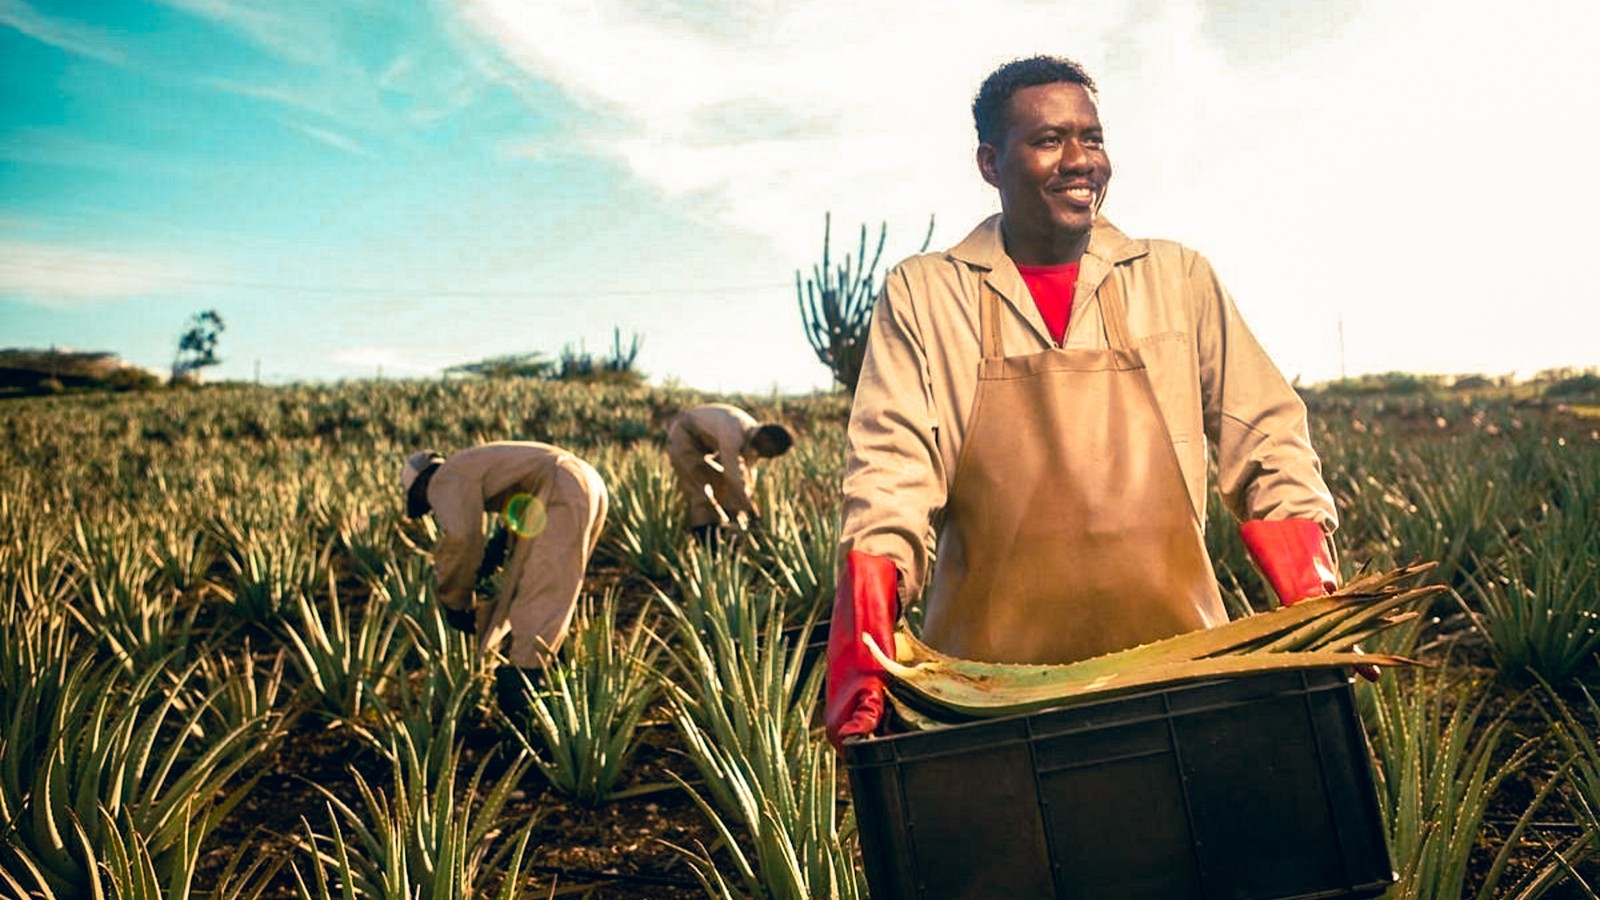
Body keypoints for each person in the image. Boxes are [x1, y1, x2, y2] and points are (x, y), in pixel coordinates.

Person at [826, 55, 1341, 747]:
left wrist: (1312, 594)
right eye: (1047, 141)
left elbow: (1266, 431)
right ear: (989, 162)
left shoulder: (1175, 277)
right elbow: (892, 466)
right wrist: (866, 641)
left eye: (1091, 139)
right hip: (989, 697)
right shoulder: (927, 292)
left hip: (1177, 674)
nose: (1079, 161)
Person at [400, 441, 608, 718]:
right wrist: (496, 550)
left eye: (424, 500)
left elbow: (463, 539)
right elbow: (522, 498)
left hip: (562, 488)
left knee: (539, 600)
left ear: (422, 483)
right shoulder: (471, 464)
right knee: (556, 593)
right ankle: (558, 687)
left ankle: (527, 719)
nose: (433, 506)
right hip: (585, 484)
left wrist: (455, 601)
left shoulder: (444, 477)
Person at [665, 403, 794, 548]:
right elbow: (734, 473)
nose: (768, 457)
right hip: (684, 436)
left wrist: (745, 509)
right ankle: (705, 541)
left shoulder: (753, 438)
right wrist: (752, 511)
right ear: (766, 439)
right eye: (770, 452)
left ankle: (723, 528)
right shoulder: (733, 430)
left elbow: (748, 475)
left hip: (704, 447)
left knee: (721, 483)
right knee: (699, 492)